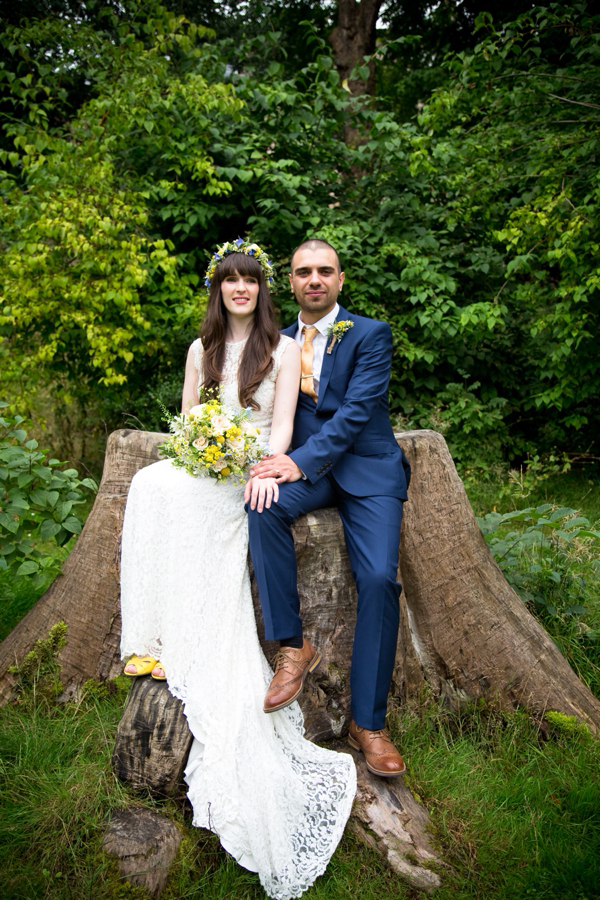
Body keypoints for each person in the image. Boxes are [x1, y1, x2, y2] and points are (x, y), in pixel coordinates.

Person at [120, 239, 357, 900]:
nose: (241, 290)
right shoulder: (202, 350)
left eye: (251, 281)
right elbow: (188, 418)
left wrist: (261, 464)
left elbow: (282, 428)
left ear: (262, 289)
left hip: (249, 463)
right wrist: (200, 446)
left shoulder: (281, 350)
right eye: (231, 281)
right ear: (218, 289)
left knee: (199, 503)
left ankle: (200, 639)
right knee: (150, 486)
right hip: (207, 459)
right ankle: (158, 636)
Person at [247, 238, 411, 778]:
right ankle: (292, 647)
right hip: (308, 470)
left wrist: (299, 462)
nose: (313, 280)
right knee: (262, 506)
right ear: (290, 283)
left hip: (367, 470)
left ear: (340, 280)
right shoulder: (275, 340)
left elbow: (358, 411)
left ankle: (369, 724)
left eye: (324, 271)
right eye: (302, 272)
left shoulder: (370, 334)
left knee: (379, 579)